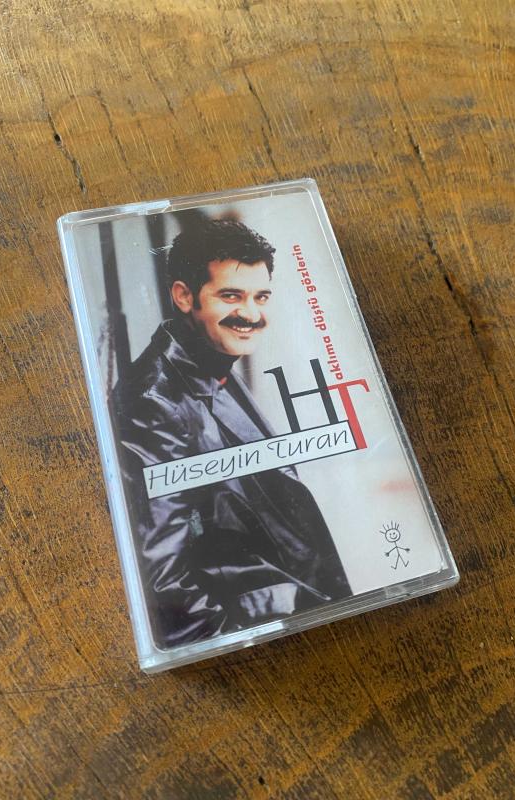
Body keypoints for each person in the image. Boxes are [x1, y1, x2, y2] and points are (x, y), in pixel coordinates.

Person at [113, 219, 351, 649]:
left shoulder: (212, 358)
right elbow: (165, 584)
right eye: (231, 296)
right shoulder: (154, 404)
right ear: (184, 296)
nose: (252, 314)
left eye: (261, 297)